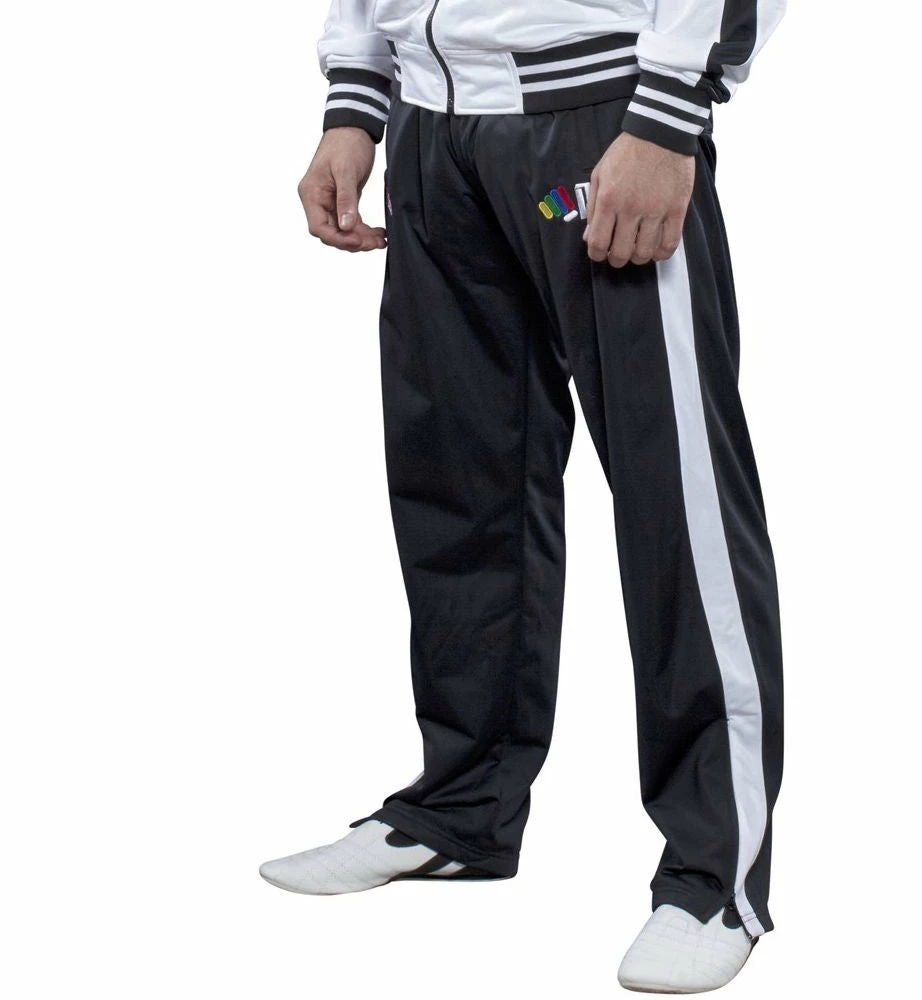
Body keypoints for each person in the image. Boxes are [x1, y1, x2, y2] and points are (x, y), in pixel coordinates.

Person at [260, 1, 785, 992]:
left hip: (592, 133)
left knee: (675, 502)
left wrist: (669, 111)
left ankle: (714, 877)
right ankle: (462, 807)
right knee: (459, 484)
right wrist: (356, 96)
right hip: (434, 139)